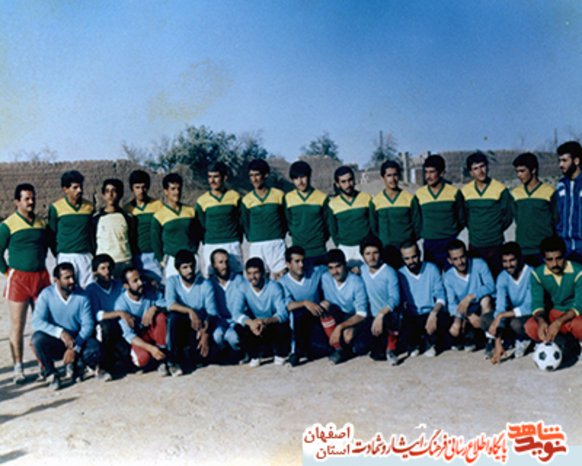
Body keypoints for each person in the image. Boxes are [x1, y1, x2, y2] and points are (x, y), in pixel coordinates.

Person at [0, 183, 52, 384]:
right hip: (19, 280)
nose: (31, 202)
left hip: (41, 278)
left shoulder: (41, 223)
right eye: (26, 199)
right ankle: (18, 369)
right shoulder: (8, 225)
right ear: (17, 201)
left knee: (43, 323)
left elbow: (47, 246)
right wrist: (8, 272)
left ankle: (44, 366)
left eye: (33, 198)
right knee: (18, 325)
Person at [31, 263, 103, 391]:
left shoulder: (82, 295)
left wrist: (75, 348)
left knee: (95, 349)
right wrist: (60, 333)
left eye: (73, 277)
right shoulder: (46, 295)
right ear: (56, 279)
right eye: (67, 278)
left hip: (77, 338)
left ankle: (78, 366)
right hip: (57, 340)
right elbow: (36, 322)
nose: (72, 281)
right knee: (37, 339)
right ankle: (51, 374)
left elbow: (88, 325)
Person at [524, 236, 582, 357]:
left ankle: (577, 343)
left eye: (559, 258)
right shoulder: (537, 274)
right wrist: (541, 321)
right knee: (531, 326)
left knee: (579, 325)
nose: (555, 264)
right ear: (543, 259)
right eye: (549, 259)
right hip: (554, 314)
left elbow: (579, 305)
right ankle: (559, 343)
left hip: (574, 316)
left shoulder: (578, 271)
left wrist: (558, 322)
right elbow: (537, 304)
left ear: (564, 255)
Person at [165, 250, 217, 376]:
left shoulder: (205, 284)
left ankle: (191, 353)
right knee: (173, 318)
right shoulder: (172, 281)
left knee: (201, 359)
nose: (189, 270)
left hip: (198, 326)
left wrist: (205, 333)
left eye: (191, 266)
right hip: (181, 324)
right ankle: (173, 362)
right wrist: (190, 311)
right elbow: (170, 304)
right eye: (185, 267)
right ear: (178, 269)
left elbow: (212, 313)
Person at [479, 242, 533, 363]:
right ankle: (505, 339)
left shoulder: (531, 273)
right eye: (505, 261)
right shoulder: (502, 277)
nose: (508, 265)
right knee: (485, 320)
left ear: (519, 259)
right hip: (512, 315)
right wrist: (498, 340)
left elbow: (530, 307)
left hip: (530, 316)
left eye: (512, 260)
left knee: (516, 324)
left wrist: (501, 315)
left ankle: (525, 339)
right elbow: (500, 307)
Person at [461, 152, 512, 276]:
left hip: (495, 244)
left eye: (482, 166)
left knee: (497, 276)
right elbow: (463, 216)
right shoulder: (465, 191)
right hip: (475, 244)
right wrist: (475, 228)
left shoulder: (500, 189)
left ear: (487, 167)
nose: (480, 171)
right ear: (471, 172)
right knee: (477, 277)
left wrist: (496, 229)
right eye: (475, 168)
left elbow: (508, 215)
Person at [233, 258, 290, 367]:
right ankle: (254, 355)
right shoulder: (243, 287)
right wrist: (251, 323)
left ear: (263, 273)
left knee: (282, 325)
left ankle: (280, 353)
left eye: (256, 273)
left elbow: (282, 313)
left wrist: (266, 321)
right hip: (255, 326)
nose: (253, 277)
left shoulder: (274, 286)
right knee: (239, 326)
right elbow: (236, 313)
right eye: (249, 273)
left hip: (270, 323)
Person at [279, 246, 329, 366]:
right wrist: (305, 303)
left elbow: (334, 269)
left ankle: (308, 347)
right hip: (297, 321)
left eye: (303, 261)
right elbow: (287, 305)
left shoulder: (315, 272)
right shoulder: (283, 281)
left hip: (316, 316)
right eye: (297, 261)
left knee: (322, 349)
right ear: (288, 264)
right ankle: (295, 352)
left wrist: (351, 269)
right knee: (297, 313)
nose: (301, 265)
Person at [398, 241, 450, 357]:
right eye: (407, 259)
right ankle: (416, 343)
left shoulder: (431, 269)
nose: (411, 261)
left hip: (430, 312)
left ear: (420, 254)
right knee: (405, 331)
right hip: (412, 314)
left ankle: (430, 342)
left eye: (414, 257)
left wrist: (434, 313)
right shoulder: (400, 274)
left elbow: (441, 296)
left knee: (443, 322)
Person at [114, 268, 169, 374]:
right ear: (126, 286)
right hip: (140, 336)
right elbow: (128, 335)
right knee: (141, 359)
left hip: (153, 331)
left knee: (161, 317)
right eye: (135, 281)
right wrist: (151, 348)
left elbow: (167, 304)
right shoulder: (121, 304)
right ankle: (153, 356)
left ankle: (163, 359)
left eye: (140, 279)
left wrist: (155, 308)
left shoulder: (150, 291)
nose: (140, 283)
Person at [415, 155, 465, 271]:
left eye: (432, 172)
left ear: (441, 173)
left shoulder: (454, 192)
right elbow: (417, 220)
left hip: (449, 242)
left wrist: (451, 232)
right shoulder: (419, 194)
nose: (428, 176)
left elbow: (461, 218)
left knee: (452, 274)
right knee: (432, 275)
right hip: (430, 244)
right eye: (426, 172)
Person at [443, 240, 495, 351]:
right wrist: (468, 315)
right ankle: (469, 337)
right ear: (449, 260)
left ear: (466, 255)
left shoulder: (479, 264)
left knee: (486, 300)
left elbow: (491, 286)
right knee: (455, 329)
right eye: (455, 259)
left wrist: (470, 296)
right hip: (465, 309)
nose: (460, 262)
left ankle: (490, 339)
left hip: (480, 304)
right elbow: (451, 305)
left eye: (462, 257)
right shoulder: (448, 276)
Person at [320, 249, 370, 364]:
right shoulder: (325, 277)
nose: (335, 271)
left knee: (348, 336)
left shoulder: (356, 282)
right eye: (331, 268)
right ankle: (338, 348)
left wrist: (340, 327)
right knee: (323, 305)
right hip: (336, 313)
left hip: (353, 315)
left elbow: (362, 314)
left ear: (345, 264)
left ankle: (345, 349)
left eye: (338, 266)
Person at [370, 160, 420, 270]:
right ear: (382, 177)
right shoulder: (376, 201)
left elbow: (417, 225)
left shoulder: (409, 198)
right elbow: (374, 227)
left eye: (395, 175)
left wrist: (409, 242)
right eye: (389, 176)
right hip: (386, 249)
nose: (392, 179)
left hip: (406, 250)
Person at [241, 159, 287, 278]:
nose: (254, 179)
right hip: (257, 245)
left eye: (257, 175)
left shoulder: (279, 195)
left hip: (276, 243)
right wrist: (253, 237)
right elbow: (246, 223)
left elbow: (285, 219)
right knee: (259, 279)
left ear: (265, 175)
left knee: (282, 276)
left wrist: (279, 234)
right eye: (251, 175)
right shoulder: (246, 200)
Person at [511, 153, 559, 267]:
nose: (519, 175)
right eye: (517, 172)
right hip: (523, 248)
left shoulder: (549, 192)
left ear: (533, 170)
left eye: (522, 171)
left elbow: (556, 219)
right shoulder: (515, 194)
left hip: (545, 249)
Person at [196, 162, 243, 277]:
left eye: (216, 176)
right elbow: (201, 225)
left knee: (237, 276)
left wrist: (236, 238)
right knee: (212, 278)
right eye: (210, 177)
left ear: (224, 177)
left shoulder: (235, 196)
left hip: (232, 243)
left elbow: (241, 220)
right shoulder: (202, 201)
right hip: (211, 244)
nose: (212, 180)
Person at [85, 254, 130, 377]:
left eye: (109, 268)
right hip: (104, 329)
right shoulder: (91, 289)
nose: (107, 271)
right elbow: (96, 314)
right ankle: (101, 366)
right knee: (105, 325)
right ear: (95, 272)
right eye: (103, 268)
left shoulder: (119, 285)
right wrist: (119, 313)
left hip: (120, 325)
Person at [48, 170, 95, 287]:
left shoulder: (89, 207)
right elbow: (51, 235)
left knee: (88, 289)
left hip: (85, 256)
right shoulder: (56, 208)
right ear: (65, 189)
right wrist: (59, 253)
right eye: (75, 187)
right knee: (67, 289)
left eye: (81, 187)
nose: (80, 190)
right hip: (65, 256)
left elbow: (92, 232)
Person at [359, 236, 401, 365]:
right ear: (363, 256)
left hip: (387, 316)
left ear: (380, 253)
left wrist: (381, 314)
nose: (372, 257)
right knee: (361, 348)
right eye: (367, 254)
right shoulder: (362, 270)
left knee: (381, 352)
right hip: (371, 317)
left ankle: (391, 348)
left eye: (375, 253)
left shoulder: (389, 272)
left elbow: (395, 298)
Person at [151, 173, 200, 281]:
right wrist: (162, 261)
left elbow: (197, 233)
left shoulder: (190, 211)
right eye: (173, 189)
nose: (176, 192)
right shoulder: (159, 215)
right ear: (165, 191)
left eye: (179, 188)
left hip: (191, 259)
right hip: (172, 260)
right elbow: (156, 242)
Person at [285, 161, 331, 268]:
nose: (300, 181)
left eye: (303, 177)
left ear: (309, 176)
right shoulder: (288, 198)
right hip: (298, 251)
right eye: (296, 178)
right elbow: (288, 222)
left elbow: (328, 224)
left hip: (319, 250)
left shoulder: (322, 198)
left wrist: (320, 239)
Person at [328, 166, 372, 269]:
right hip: (345, 248)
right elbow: (333, 230)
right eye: (343, 182)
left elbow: (373, 224)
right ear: (337, 184)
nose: (348, 184)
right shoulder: (333, 204)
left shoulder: (367, 198)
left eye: (350, 180)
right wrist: (340, 245)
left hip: (365, 247)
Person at [123, 170, 164, 282]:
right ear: (131, 188)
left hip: (153, 254)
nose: (141, 191)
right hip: (135, 256)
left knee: (157, 285)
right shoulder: (127, 209)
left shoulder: (158, 205)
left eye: (144, 187)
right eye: (137, 187)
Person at [92, 179, 135, 278]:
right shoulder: (96, 218)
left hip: (124, 261)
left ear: (120, 194)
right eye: (107, 191)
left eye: (114, 191)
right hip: (105, 264)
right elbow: (92, 241)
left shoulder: (127, 217)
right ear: (103, 195)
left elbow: (132, 239)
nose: (110, 195)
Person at [208, 249, 245, 359]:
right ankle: (224, 353)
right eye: (220, 262)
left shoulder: (238, 279)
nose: (224, 266)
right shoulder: (210, 283)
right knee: (217, 335)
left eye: (226, 262)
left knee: (232, 337)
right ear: (214, 265)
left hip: (236, 320)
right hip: (220, 321)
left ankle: (240, 353)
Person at [556, 141, 582, 263]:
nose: (561, 164)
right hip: (565, 248)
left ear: (576, 161)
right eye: (559, 161)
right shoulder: (561, 185)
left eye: (564, 160)